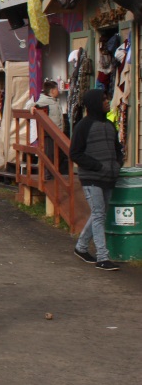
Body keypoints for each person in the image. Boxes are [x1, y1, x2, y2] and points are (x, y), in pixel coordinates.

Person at [70, 89, 122, 271]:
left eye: (107, 98)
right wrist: (97, 166)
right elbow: (75, 153)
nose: (107, 102)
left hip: (108, 177)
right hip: (91, 178)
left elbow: (117, 149)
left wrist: (116, 165)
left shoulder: (110, 125)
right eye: (104, 99)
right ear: (94, 103)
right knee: (99, 214)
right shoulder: (83, 126)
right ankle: (102, 257)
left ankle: (81, 247)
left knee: (99, 214)